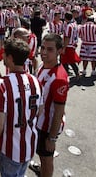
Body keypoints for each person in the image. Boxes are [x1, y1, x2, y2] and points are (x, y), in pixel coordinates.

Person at [0, 38, 42, 177]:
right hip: (30, 143)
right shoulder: (35, 81)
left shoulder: (2, 84)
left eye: (5, 55)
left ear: (10, 58)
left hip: (11, 148)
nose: (3, 58)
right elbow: (39, 111)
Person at [31, 34, 69, 177]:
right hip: (38, 122)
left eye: (50, 49)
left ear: (59, 51)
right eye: (43, 48)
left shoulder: (59, 78)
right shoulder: (42, 65)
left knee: (46, 159)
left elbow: (59, 111)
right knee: (41, 155)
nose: (44, 52)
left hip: (47, 127)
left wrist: (52, 138)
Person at [60, 12, 81, 78]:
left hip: (68, 45)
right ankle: (66, 72)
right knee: (65, 60)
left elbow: (67, 37)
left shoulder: (69, 26)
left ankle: (76, 73)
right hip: (73, 44)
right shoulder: (75, 24)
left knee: (69, 60)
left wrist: (64, 47)